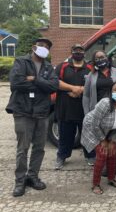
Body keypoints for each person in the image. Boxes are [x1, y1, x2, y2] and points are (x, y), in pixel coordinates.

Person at [6, 38, 59, 197]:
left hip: (42, 112)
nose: (44, 48)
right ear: (34, 46)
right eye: (41, 45)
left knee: (39, 147)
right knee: (22, 148)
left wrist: (35, 79)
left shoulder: (49, 67)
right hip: (23, 111)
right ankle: (20, 181)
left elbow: (53, 86)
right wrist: (42, 85)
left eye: (47, 47)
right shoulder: (21, 62)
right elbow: (16, 83)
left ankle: (33, 176)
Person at [81, 82, 116, 194]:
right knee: (102, 153)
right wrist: (103, 140)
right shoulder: (105, 103)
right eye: (115, 90)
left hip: (112, 129)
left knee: (112, 152)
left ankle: (111, 179)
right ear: (111, 92)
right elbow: (95, 123)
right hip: (92, 127)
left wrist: (112, 140)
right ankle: (95, 184)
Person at [83, 50, 116, 169]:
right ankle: (101, 166)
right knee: (101, 140)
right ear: (94, 61)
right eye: (97, 58)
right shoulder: (91, 75)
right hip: (98, 113)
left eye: (102, 57)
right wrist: (87, 113)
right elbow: (86, 95)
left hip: (115, 112)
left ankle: (112, 167)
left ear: (107, 58)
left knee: (113, 139)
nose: (100, 59)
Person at [54, 44, 95, 170]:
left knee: (88, 134)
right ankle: (62, 156)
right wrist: (72, 88)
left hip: (84, 109)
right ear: (71, 52)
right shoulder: (62, 66)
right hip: (66, 108)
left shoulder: (90, 68)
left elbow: (94, 84)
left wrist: (81, 89)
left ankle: (90, 156)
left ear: (84, 52)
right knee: (65, 135)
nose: (78, 52)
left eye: (80, 50)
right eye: (75, 50)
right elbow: (55, 82)